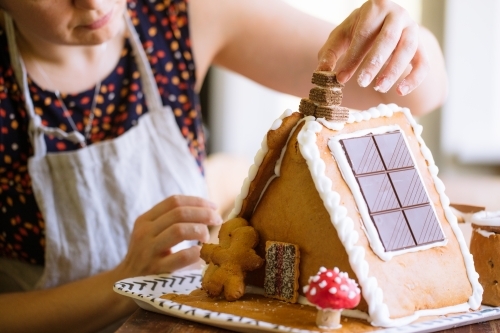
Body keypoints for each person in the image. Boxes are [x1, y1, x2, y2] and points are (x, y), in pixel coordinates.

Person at [0, 0, 447, 332]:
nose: (94, 3)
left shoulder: (180, 15)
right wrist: (122, 282)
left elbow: (418, 94)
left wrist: (404, 39)